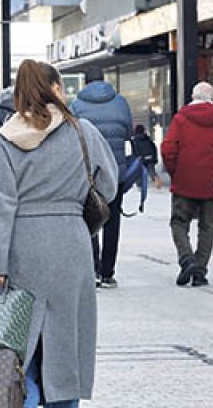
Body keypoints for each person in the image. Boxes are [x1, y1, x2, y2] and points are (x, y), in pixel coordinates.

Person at [0, 60, 118, 408]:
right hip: (71, 242)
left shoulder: (6, 140)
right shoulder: (82, 131)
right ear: (56, 89)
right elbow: (109, 184)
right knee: (66, 345)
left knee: (20, 344)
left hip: (22, 246)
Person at [160, 82, 213, 287]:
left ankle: (186, 259)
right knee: (207, 227)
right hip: (211, 183)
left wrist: (175, 171)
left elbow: (167, 148)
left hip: (184, 180)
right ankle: (199, 272)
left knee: (179, 222)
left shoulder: (181, 119)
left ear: (192, 96)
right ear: (212, 98)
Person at [70, 67, 133, 289]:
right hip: (116, 171)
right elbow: (128, 132)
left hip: (89, 173)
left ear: (84, 82)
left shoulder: (76, 105)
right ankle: (108, 272)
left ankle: (94, 269)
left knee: (90, 217)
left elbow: (71, 135)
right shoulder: (121, 102)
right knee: (112, 221)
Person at [130, 124, 161, 189]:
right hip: (150, 157)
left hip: (141, 158)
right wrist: (154, 158)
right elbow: (153, 148)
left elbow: (135, 150)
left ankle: (140, 186)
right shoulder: (148, 138)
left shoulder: (135, 140)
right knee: (151, 171)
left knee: (138, 172)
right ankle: (155, 179)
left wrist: (135, 158)